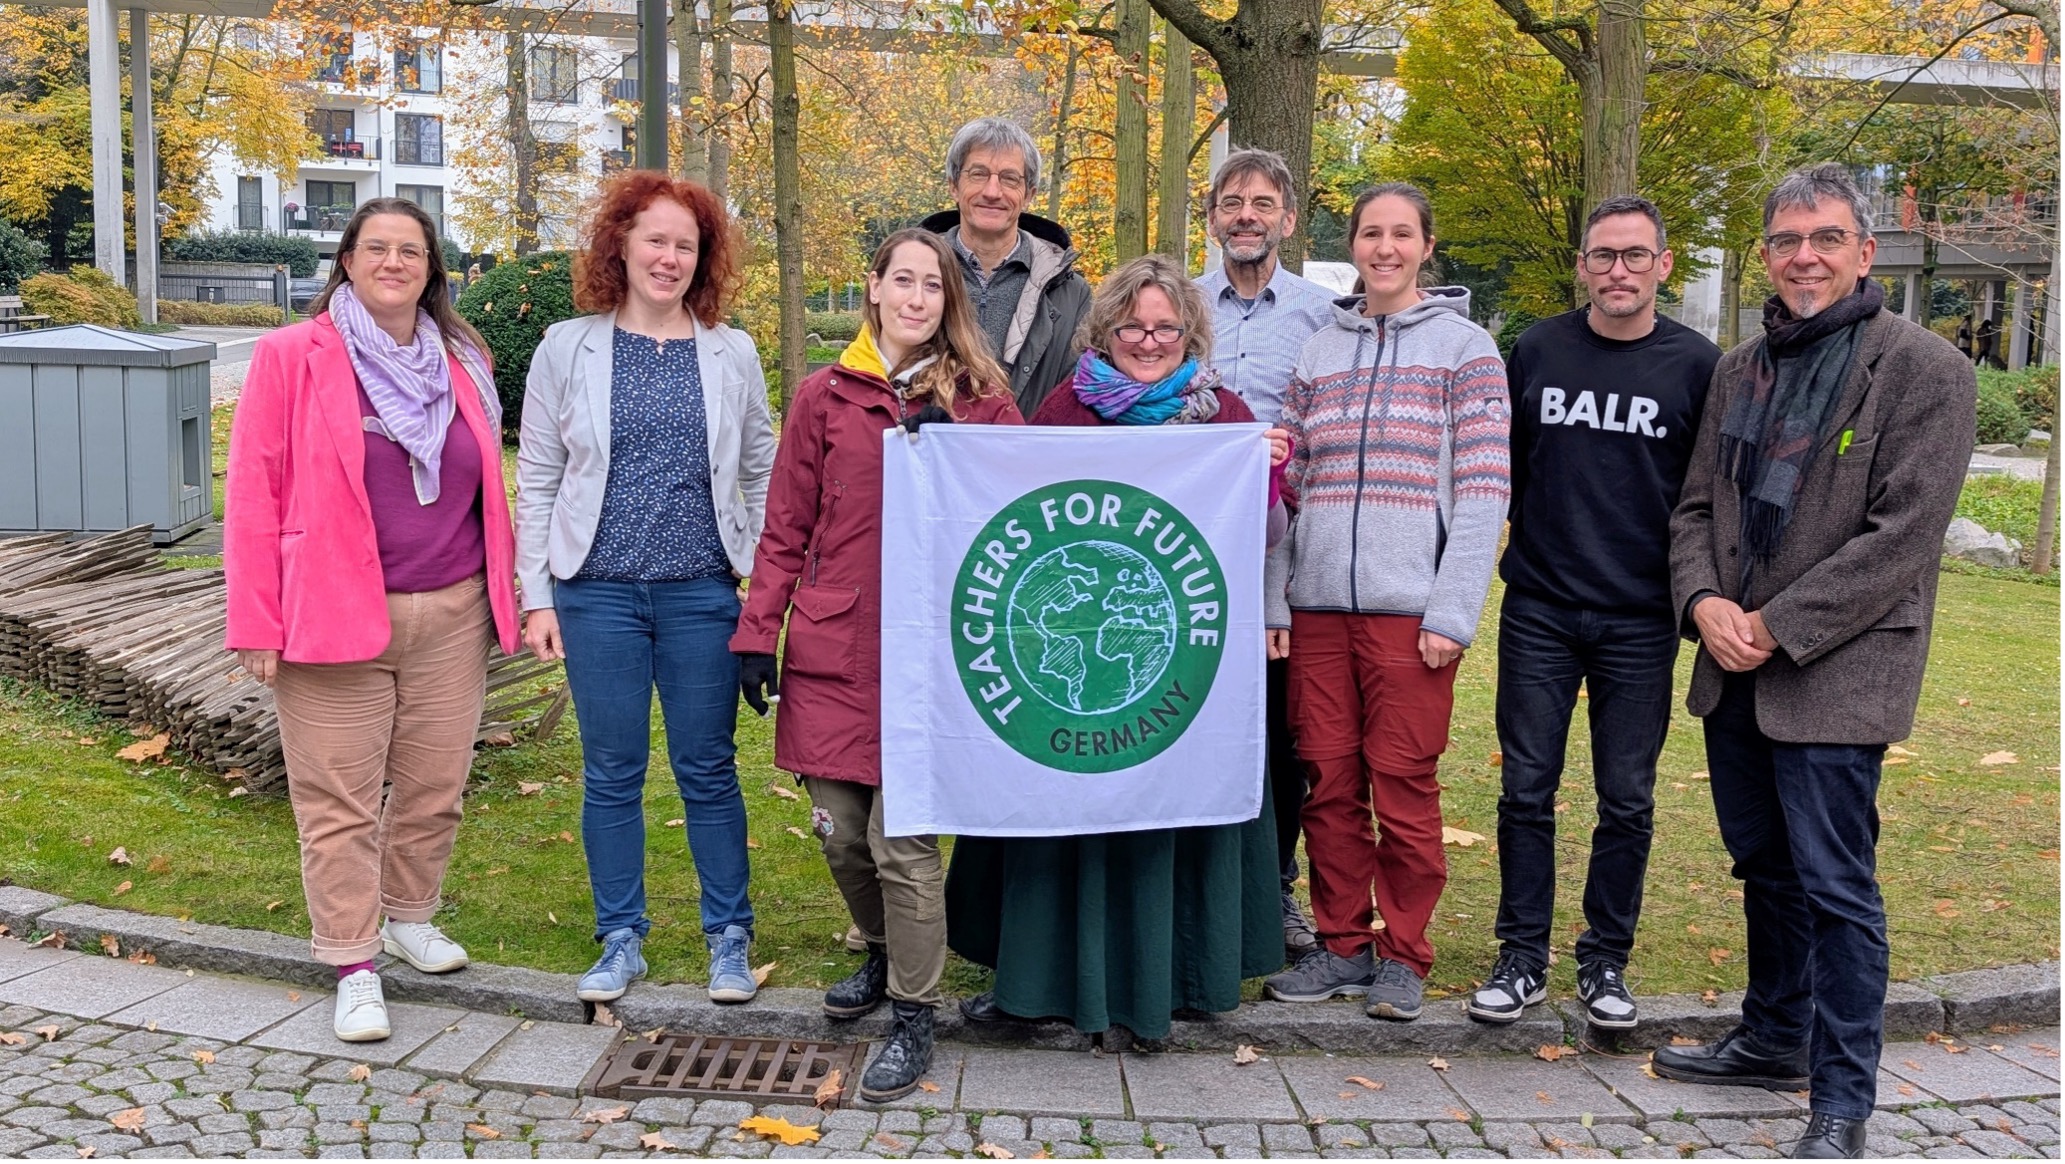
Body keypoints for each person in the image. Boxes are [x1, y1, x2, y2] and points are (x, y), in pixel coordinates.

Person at [1658, 164, 1975, 1160]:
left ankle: (1842, 1099)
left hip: (1834, 673)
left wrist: (1777, 624)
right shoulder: (1738, 367)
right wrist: (1705, 602)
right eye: (1788, 239)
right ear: (1765, 252)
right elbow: (1698, 507)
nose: (1805, 256)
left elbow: (1901, 539)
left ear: (1862, 252)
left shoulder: (1924, 370)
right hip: (1731, 663)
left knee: (1837, 887)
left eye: (1826, 238)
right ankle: (1771, 1036)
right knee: (1764, 868)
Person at [945, 253, 1292, 1046]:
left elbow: (1265, 535)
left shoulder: (1226, 418)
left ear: (1188, 333)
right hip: (1085, 674)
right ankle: (1045, 982)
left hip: (1183, 672)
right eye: (1132, 325)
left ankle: (1173, 980)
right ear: (1104, 331)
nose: (1148, 339)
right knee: (1071, 809)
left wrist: (1263, 477)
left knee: (1176, 810)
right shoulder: (1066, 412)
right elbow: (1018, 511)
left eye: (1165, 327)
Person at [732, 229, 1022, 1100]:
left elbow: (1023, 504)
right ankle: (886, 950)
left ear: (949, 301)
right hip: (836, 644)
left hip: (933, 654)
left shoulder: (980, 401)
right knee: (842, 834)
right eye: (903, 280)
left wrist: (957, 454)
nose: (917, 298)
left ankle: (911, 1012)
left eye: (933, 285)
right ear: (873, 289)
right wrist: (757, 630)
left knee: (905, 844)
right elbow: (786, 525)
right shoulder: (824, 397)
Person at [224, 198, 518, 1042]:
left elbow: (486, 487)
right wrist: (255, 621)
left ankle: (409, 916)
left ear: (432, 271)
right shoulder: (293, 356)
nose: (394, 262)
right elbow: (251, 491)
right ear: (346, 261)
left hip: (453, 611)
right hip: (332, 612)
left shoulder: (464, 359)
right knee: (340, 803)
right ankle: (353, 960)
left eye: (412, 252)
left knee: (433, 790)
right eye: (377, 248)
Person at [515, 171, 774, 1007]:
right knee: (612, 771)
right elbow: (540, 477)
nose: (668, 257)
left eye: (685, 245)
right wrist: (537, 595)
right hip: (596, 594)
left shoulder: (730, 352)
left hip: (702, 591)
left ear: (703, 261)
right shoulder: (566, 346)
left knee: (708, 768)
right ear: (620, 244)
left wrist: (765, 589)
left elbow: (762, 469)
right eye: (654, 239)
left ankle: (727, 936)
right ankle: (620, 936)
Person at [1466, 196, 1720, 1030]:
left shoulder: (1696, 366)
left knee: (1628, 798)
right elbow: (1503, 472)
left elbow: (1702, 499)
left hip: (1640, 619)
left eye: (1634, 257)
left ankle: (1605, 961)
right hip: (1539, 603)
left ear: (1662, 265)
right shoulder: (1536, 348)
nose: (1618, 271)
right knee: (1525, 789)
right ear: (1582, 264)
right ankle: (1521, 956)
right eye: (1603, 256)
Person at [1260, 183, 1511, 1022]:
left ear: (1425, 246)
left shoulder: (1466, 351)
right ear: (1353, 244)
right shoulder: (1315, 352)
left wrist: (1452, 612)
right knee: (1326, 782)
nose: (1384, 248)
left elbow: (1483, 493)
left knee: (1401, 784)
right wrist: (1278, 601)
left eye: (1401, 234)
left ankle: (1404, 953)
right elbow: (1287, 484)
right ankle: (1339, 944)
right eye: (1371, 233)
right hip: (1319, 607)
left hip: (1411, 613)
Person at [1194, 147, 1338, 963]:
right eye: (1230, 201)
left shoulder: (1323, 315)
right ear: (1212, 216)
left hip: (1284, 559)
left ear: (1287, 218)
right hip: (1190, 555)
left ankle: (1275, 888)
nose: (1245, 214)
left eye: (1261, 203)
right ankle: (1196, 877)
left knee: (1284, 734)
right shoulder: (1176, 306)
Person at [921, 117, 1092, 418]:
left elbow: (1082, 396)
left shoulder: (1072, 294)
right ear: (953, 185)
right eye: (978, 174)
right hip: (930, 458)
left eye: (1010, 179)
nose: (992, 191)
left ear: (1029, 194)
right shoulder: (910, 278)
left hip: (1031, 460)